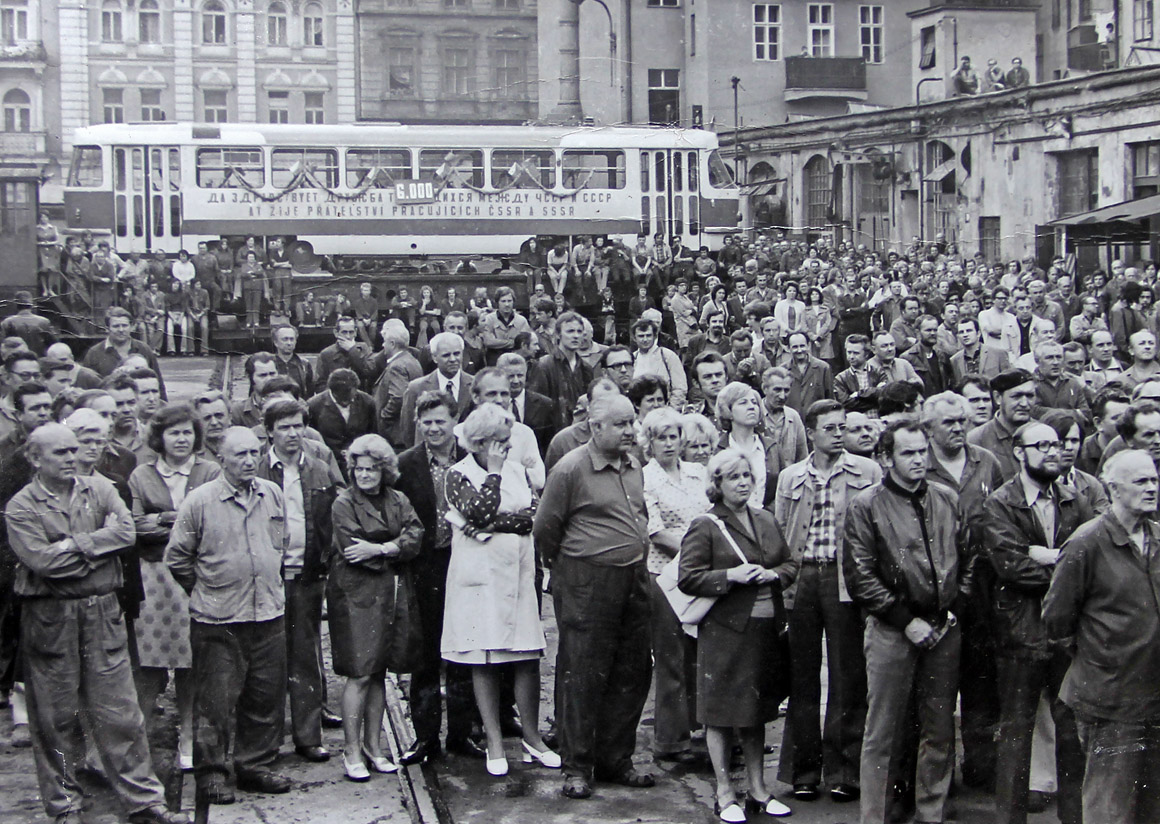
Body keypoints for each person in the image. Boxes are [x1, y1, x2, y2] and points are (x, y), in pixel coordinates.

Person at [6, 423, 188, 824]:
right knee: (56, 719)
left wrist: (74, 544)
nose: (72, 458)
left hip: (102, 613)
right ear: (36, 459)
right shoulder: (22, 506)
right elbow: (43, 562)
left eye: (75, 450)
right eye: (61, 453)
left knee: (121, 712)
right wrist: (95, 549)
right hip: (52, 618)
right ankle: (65, 807)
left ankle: (145, 801)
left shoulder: (101, 489)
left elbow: (125, 533)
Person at [844, 420, 973, 824]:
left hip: (944, 629)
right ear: (885, 458)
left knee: (938, 728)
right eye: (908, 453)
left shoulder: (946, 498)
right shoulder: (866, 505)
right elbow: (860, 576)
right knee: (882, 731)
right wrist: (904, 620)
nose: (918, 460)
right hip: (891, 630)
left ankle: (930, 813)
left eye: (922, 452)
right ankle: (876, 817)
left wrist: (955, 608)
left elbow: (968, 557)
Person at [533, 393, 655, 799]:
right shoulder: (570, 469)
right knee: (583, 673)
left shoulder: (634, 463)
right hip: (587, 581)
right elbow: (545, 529)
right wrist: (569, 570)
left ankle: (616, 758)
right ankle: (577, 766)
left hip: (634, 578)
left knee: (632, 669)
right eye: (620, 424)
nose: (629, 430)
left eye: (632, 422)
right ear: (594, 426)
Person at [165, 427, 292, 804]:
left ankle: (254, 766)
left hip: (268, 615)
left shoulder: (272, 494)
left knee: (265, 697)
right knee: (216, 703)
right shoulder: (200, 502)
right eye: (240, 455)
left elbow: (280, 546)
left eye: (255, 453)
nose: (250, 461)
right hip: (219, 621)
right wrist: (208, 591)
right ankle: (212, 775)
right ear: (222, 459)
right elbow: (177, 558)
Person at [982, 421, 1092, 824]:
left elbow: (1087, 563)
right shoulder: (1000, 503)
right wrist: (1062, 563)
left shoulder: (1073, 499)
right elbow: (1011, 567)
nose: (1052, 451)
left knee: (1071, 734)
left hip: (1065, 632)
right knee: (1016, 733)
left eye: (1056, 444)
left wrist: (1048, 558)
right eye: (1041, 444)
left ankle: (1075, 818)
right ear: (1019, 452)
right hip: (1021, 632)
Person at [678, 449, 796, 821]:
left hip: (766, 629)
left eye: (747, 475)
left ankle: (759, 790)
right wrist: (730, 576)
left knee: (756, 712)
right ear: (717, 485)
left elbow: (790, 563)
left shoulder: (766, 518)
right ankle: (725, 792)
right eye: (734, 477)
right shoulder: (707, 524)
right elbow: (688, 577)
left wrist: (774, 575)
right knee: (721, 712)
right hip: (726, 630)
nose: (743, 482)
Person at [1043, 449, 1160, 824]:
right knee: (1109, 808)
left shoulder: (1157, 537)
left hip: (1154, 695)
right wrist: (1101, 659)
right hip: (1110, 700)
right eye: (1141, 481)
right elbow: (1056, 619)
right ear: (1113, 489)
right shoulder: (1086, 543)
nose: (1152, 487)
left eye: (1155, 479)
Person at [439, 404, 557, 777]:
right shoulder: (457, 474)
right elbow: (477, 512)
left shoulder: (519, 471)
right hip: (481, 577)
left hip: (519, 573)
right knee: (485, 657)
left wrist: (502, 522)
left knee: (526, 654)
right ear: (482, 442)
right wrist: (492, 475)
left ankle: (532, 738)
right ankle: (493, 740)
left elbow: (535, 515)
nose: (508, 447)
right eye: (501, 442)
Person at [774, 399, 879, 803]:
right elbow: (781, 531)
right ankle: (803, 772)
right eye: (831, 428)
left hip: (844, 579)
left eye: (843, 428)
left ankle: (844, 772)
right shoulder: (790, 476)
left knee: (847, 675)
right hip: (802, 578)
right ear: (812, 434)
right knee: (801, 678)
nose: (839, 434)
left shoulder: (866, 471)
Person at [129, 404, 221, 773]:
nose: (181, 439)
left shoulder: (209, 470)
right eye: (173, 433)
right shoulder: (142, 475)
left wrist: (163, 520)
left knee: (192, 663)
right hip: (153, 578)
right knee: (149, 664)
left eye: (187, 432)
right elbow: (136, 526)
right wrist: (179, 518)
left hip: (196, 577)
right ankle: (136, 745)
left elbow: (210, 524)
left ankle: (188, 736)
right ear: (160, 438)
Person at [327, 434, 422, 781]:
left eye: (371, 469)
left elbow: (415, 537)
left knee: (380, 670)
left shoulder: (398, 499)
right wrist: (392, 549)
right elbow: (353, 550)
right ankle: (351, 749)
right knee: (360, 671)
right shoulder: (343, 503)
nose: (364, 475)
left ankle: (374, 746)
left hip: (390, 592)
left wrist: (381, 549)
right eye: (359, 469)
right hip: (356, 595)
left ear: (384, 470)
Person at [394, 392, 483, 765]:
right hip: (426, 567)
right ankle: (425, 738)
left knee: (465, 649)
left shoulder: (472, 459)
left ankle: (461, 734)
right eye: (426, 422)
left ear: (454, 422)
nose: (433, 428)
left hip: (467, 563)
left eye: (440, 421)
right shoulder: (405, 464)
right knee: (426, 654)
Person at [257, 399, 341, 764]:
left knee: (306, 656)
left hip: (307, 575)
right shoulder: (258, 468)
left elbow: (337, 514)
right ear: (270, 431)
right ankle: (268, 739)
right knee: (267, 660)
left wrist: (327, 559)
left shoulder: (320, 469)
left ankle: (308, 736)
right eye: (284, 427)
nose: (292, 434)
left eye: (297, 427)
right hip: (267, 579)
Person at [640, 407, 710, 764]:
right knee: (671, 656)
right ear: (648, 442)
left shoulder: (698, 473)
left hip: (702, 576)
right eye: (660, 437)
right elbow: (656, 533)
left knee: (702, 654)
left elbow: (714, 516)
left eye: (673, 436)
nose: (668, 443)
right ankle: (669, 739)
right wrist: (703, 550)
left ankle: (702, 731)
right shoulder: (646, 478)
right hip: (665, 577)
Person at [399, 331, 476, 447]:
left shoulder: (476, 386)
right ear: (434, 357)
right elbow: (408, 431)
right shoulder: (416, 388)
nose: (453, 359)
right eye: (446, 355)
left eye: (457, 354)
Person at [82, 307, 167, 398]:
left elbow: (158, 383)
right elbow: (87, 389)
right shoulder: (94, 353)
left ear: (131, 327)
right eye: (116, 326)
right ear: (107, 328)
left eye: (124, 325)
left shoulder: (144, 349)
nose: (121, 330)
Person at [967, 369, 1036, 477]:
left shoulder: (1045, 434)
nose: (1024, 403)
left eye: (1030, 396)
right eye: (1017, 396)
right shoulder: (975, 440)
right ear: (998, 398)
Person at [314, 316, 374, 391]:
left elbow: (369, 371)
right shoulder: (326, 354)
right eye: (344, 332)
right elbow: (320, 384)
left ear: (355, 332)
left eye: (351, 332)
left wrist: (352, 350)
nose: (348, 336)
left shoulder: (364, 349)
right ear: (336, 333)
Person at [271, 325, 314, 399]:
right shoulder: (269, 365)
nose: (289, 343)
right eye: (285, 339)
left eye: (292, 339)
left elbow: (310, 394)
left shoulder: (304, 365)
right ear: (275, 342)